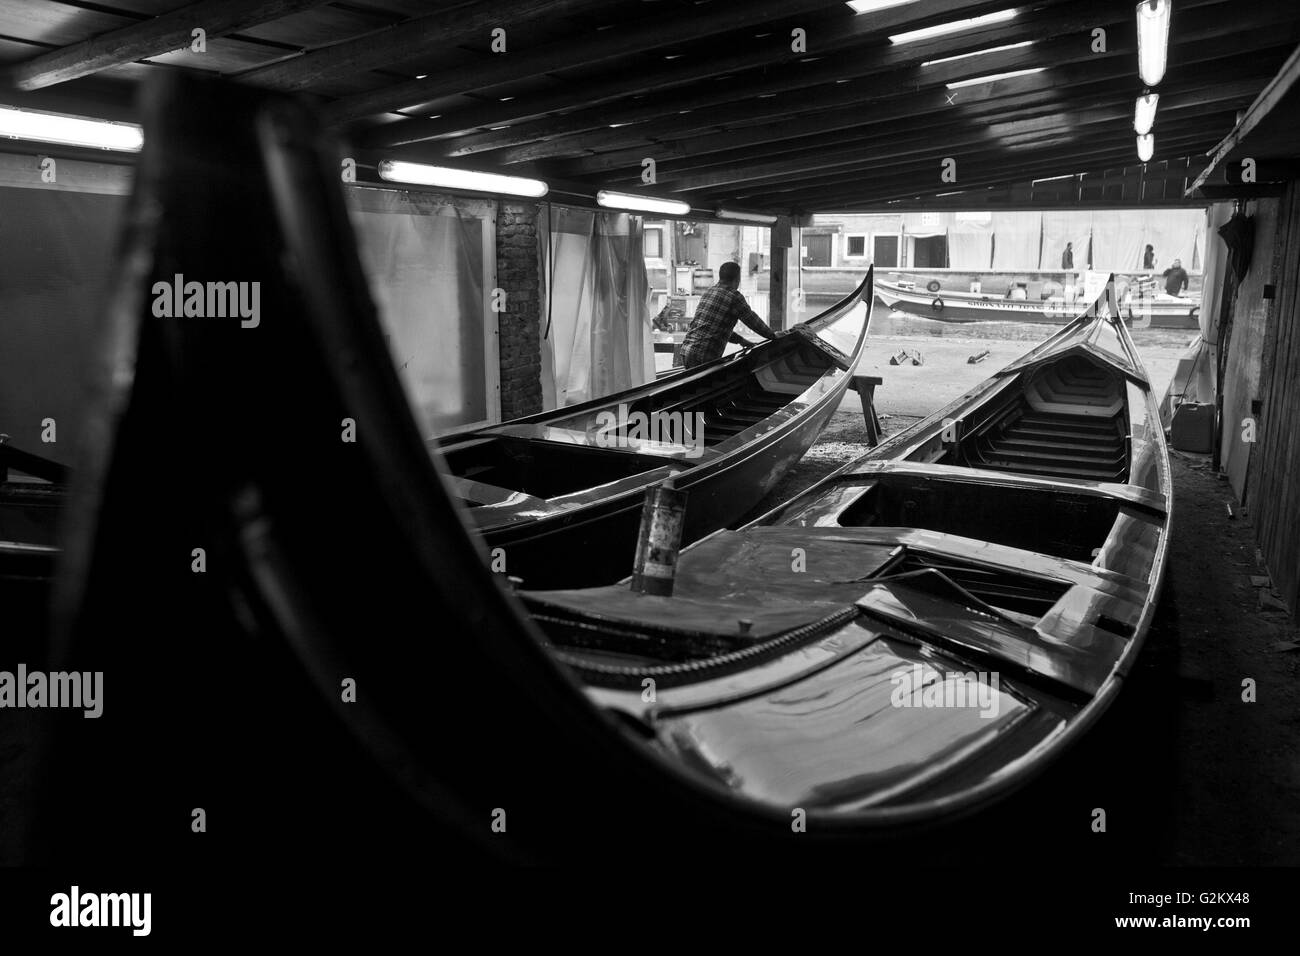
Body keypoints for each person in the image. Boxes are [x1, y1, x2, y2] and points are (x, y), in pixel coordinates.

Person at [678, 261, 777, 368]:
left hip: (687, 351)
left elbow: (714, 327)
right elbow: (753, 321)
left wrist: (742, 341)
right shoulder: (734, 296)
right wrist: (774, 336)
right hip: (704, 355)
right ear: (737, 279)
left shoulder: (709, 292)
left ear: (720, 276)